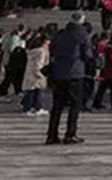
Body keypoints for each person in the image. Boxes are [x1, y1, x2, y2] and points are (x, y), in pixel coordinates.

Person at [47, 13, 91, 145]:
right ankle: (70, 133)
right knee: (74, 105)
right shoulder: (83, 35)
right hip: (75, 73)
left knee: (57, 106)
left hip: (59, 73)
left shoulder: (61, 34)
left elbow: (52, 49)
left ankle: (51, 134)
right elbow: (87, 54)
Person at [21, 33, 50, 116]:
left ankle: (32, 107)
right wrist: (42, 75)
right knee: (37, 91)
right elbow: (39, 65)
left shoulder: (33, 51)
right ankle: (35, 108)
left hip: (30, 73)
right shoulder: (41, 51)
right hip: (36, 74)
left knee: (32, 91)